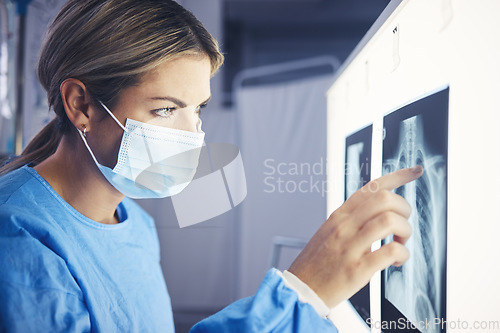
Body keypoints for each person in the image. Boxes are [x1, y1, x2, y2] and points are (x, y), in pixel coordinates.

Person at [0, 0, 423, 332]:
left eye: (197, 108)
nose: (192, 135)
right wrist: (299, 294)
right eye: (166, 110)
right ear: (81, 105)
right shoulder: (19, 240)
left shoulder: (134, 223)